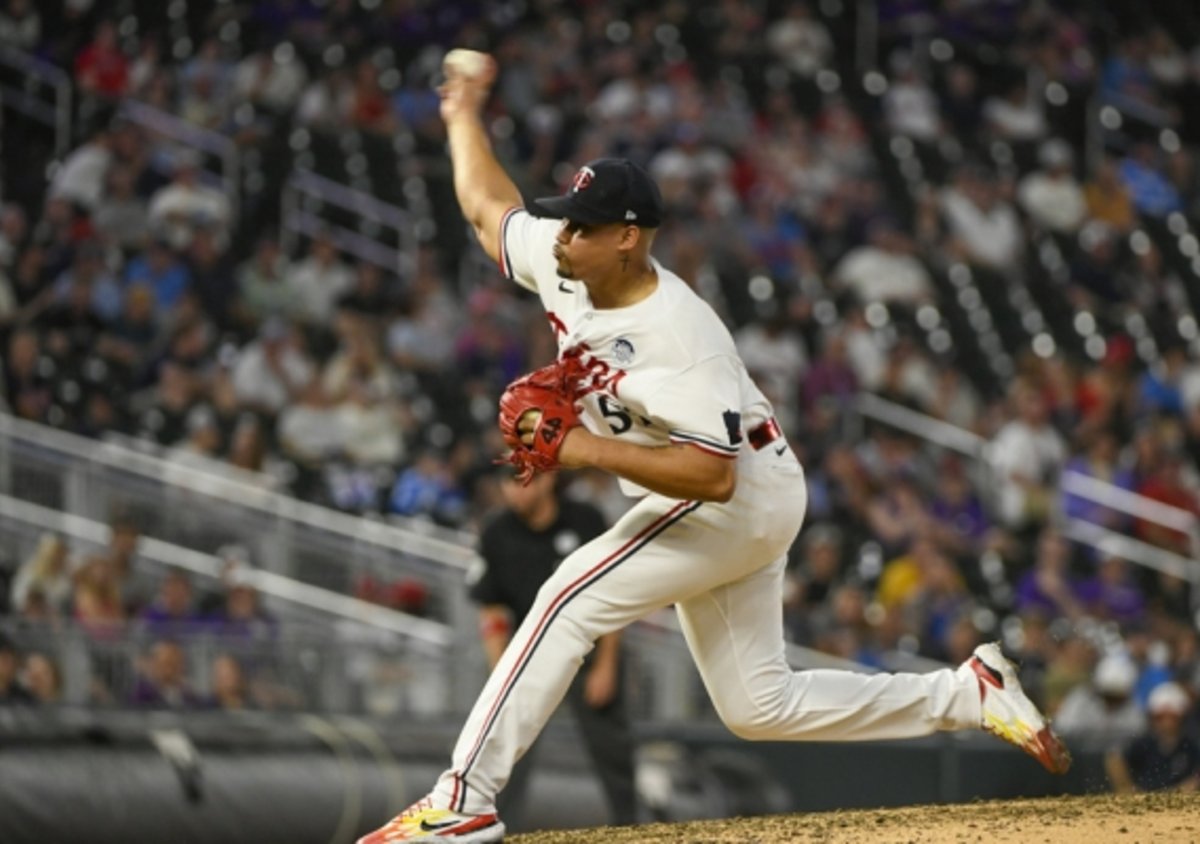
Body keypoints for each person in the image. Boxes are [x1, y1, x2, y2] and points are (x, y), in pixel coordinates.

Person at [357, 51, 1070, 844]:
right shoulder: (568, 261)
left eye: (582, 227)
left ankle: (463, 798)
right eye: (564, 218)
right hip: (740, 486)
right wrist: (461, 115)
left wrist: (584, 451)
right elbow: (487, 206)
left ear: (628, 238)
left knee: (566, 598)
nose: (561, 236)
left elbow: (711, 477)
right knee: (757, 706)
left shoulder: (678, 340)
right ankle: (967, 694)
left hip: (733, 493)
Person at [469, 469, 638, 830]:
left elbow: (615, 593)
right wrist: (502, 674)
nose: (512, 491)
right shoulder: (496, 531)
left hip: (588, 647)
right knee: (506, 753)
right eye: (506, 482)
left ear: (545, 480)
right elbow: (492, 609)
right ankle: (498, 833)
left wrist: (607, 664)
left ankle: (632, 831)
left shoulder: (585, 520)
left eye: (520, 481)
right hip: (527, 651)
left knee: (613, 751)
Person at [1106, 682, 1200, 793]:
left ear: (1181, 716)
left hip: (1180, 802)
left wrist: (1188, 786)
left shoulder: (1190, 745)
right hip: (1144, 801)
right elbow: (1114, 758)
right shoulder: (1144, 743)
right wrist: (1127, 788)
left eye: (1172, 716)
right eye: (1160, 717)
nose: (1166, 722)